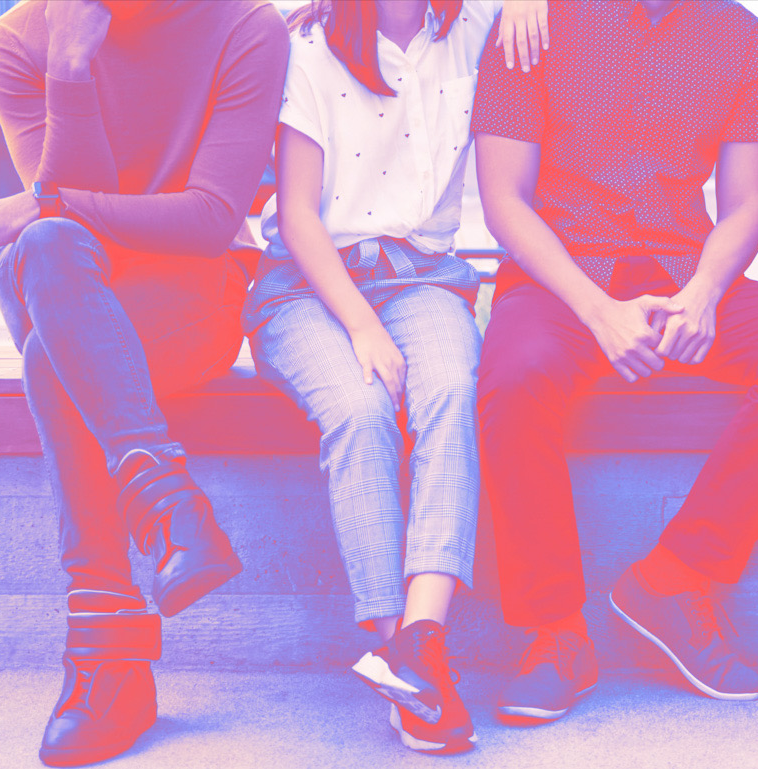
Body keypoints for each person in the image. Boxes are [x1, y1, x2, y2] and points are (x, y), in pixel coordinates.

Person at [472, 0, 758, 725]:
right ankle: (555, 634)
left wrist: (705, 290)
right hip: (561, 276)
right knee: (514, 378)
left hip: (683, 271)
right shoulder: (532, 21)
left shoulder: (738, 35)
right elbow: (503, 201)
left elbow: (744, 203)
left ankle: (675, 576)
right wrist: (596, 310)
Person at [0, 1, 288, 765]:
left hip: (193, 302)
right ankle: (168, 504)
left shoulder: (245, 27)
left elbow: (208, 217)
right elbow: (72, 223)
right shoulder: (15, 43)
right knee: (52, 254)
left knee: (50, 342)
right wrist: (68, 70)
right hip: (73, 285)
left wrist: (42, 201)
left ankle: (108, 664)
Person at [241, 0, 547, 755]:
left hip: (424, 279)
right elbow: (300, 216)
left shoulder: (474, 31)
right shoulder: (309, 44)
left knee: (450, 390)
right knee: (361, 406)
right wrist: (363, 326)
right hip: (305, 287)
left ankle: (419, 645)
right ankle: (399, 651)